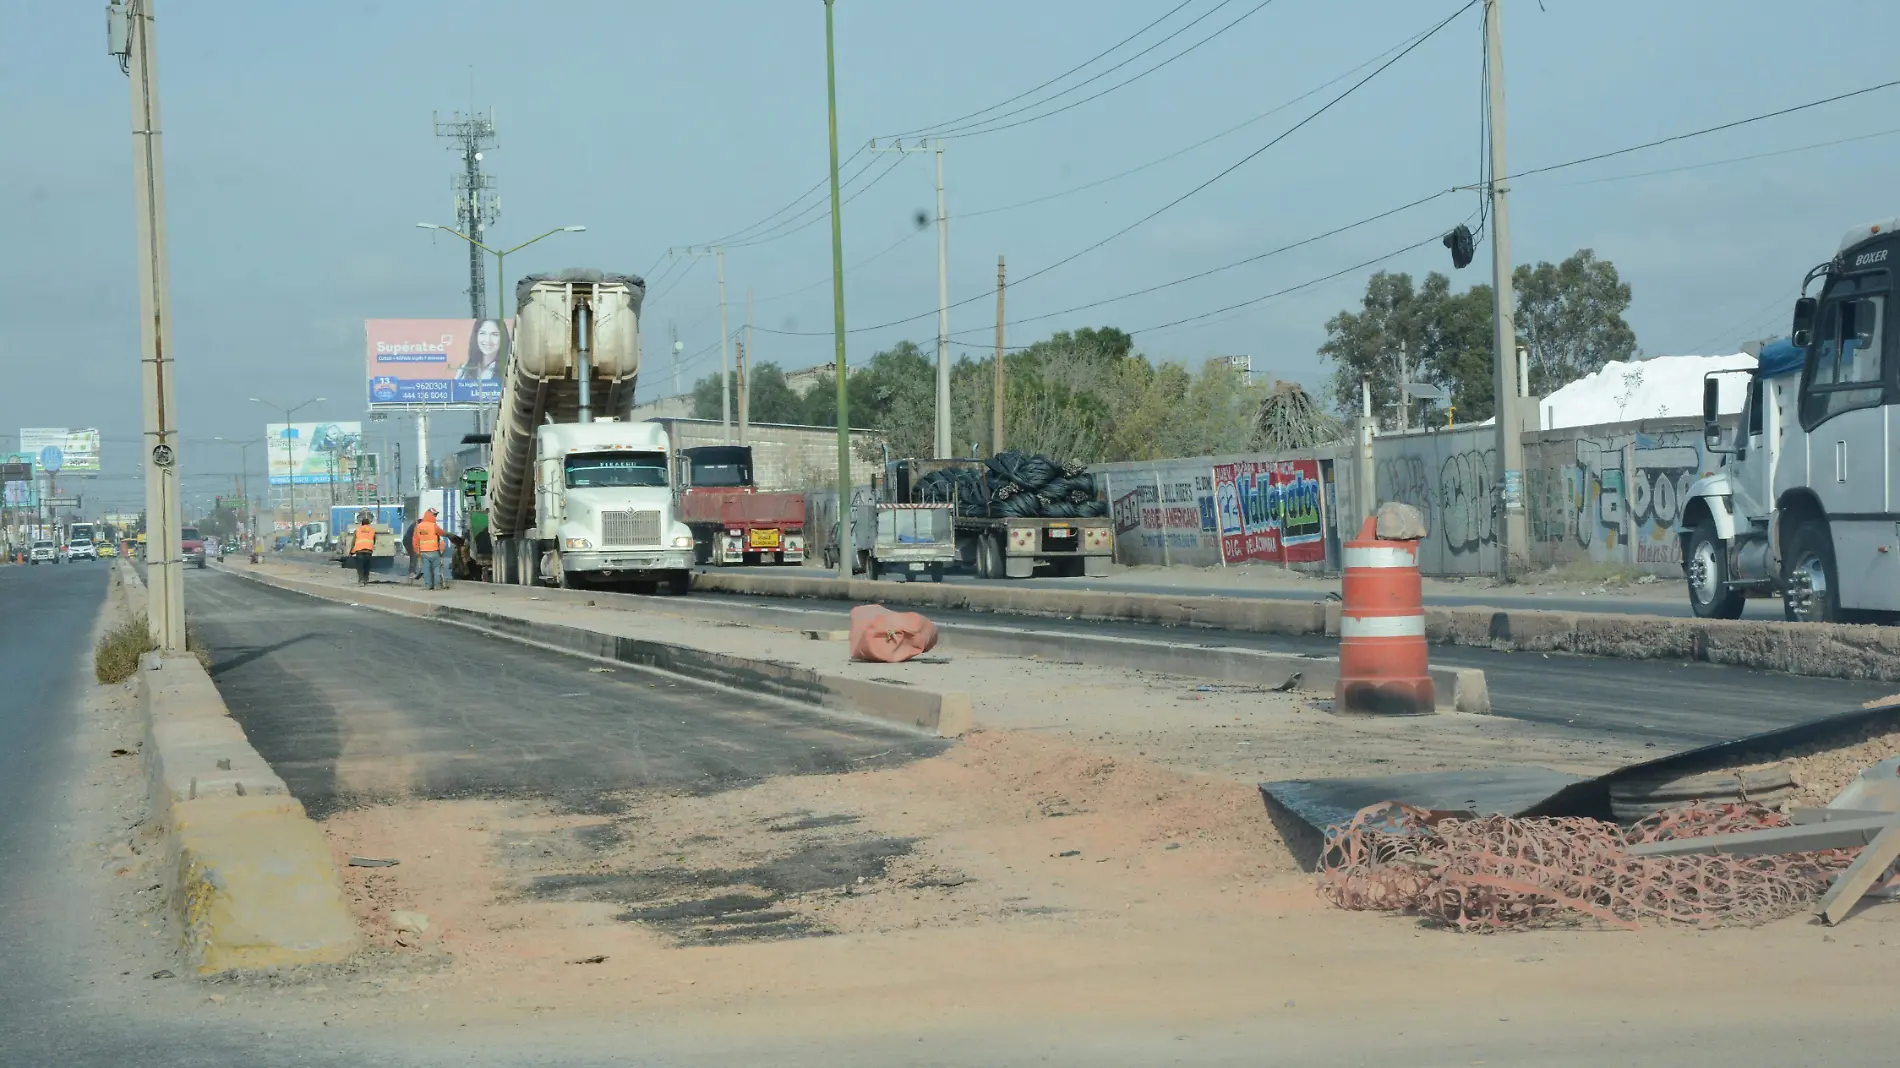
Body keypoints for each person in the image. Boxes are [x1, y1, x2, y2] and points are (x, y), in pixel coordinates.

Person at [413, 508, 448, 590]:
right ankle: (437, 585)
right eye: (434, 515)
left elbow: (415, 540)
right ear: (431, 515)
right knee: (436, 569)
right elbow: (441, 533)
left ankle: (428, 585)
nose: (435, 517)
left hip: (423, 552)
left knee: (426, 570)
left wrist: (417, 551)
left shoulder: (419, 526)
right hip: (434, 551)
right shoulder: (433, 525)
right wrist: (448, 535)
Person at [348, 511, 377, 587]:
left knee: (360, 566)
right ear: (369, 523)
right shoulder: (372, 530)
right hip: (368, 551)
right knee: (367, 566)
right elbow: (374, 540)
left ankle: (361, 580)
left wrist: (351, 552)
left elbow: (353, 542)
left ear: (361, 523)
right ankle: (366, 579)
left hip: (359, 551)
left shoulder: (358, 530)